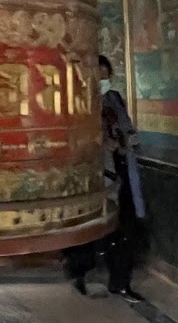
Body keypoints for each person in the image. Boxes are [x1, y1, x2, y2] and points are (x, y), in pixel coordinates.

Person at [63, 56, 149, 298]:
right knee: (89, 226)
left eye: (105, 75)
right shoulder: (80, 103)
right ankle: (78, 271)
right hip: (96, 174)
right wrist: (100, 142)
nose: (103, 80)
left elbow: (126, 126)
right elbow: (75, 138)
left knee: (124, 228)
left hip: (123, 169)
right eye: (98, 76)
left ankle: (121, 282)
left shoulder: (113, 98)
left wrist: (128, 138)